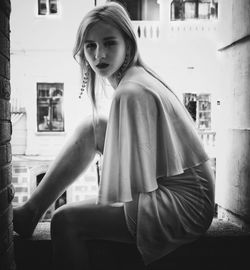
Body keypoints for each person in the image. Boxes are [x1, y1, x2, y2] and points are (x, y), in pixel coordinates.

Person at [13, 2, 215, 269]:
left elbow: (137, 185)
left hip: (184, 205)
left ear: (128, 45)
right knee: (93, 127)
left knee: (65, 221)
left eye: (109, 43)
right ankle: (30, 212)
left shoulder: (131, 91)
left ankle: (31, 213)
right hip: (185, 194)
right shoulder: (136, 78)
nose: (99, 55)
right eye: (90, 46)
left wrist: (101, 211)